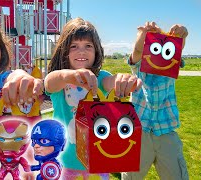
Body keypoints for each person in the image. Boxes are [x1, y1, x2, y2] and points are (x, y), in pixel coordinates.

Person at [44, 17, 142, 179]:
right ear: (64, 52)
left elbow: (111, 82)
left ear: (96, 51)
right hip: (64, 163)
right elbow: (50, 82)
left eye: (88, 46)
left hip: (98, 162)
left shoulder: (101, 78)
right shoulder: (61, 80)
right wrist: (71, 76)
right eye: (74, 46)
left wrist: (123, 80)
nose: (81, 51)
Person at [121, 22, 189, 179]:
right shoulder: (139, 66)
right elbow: (138, 50)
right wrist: (144, 34)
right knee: (131, 176)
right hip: (139, 133)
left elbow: (177, 48)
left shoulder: (170, 67)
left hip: (166, 131)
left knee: (176, 175)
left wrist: (182, 35)